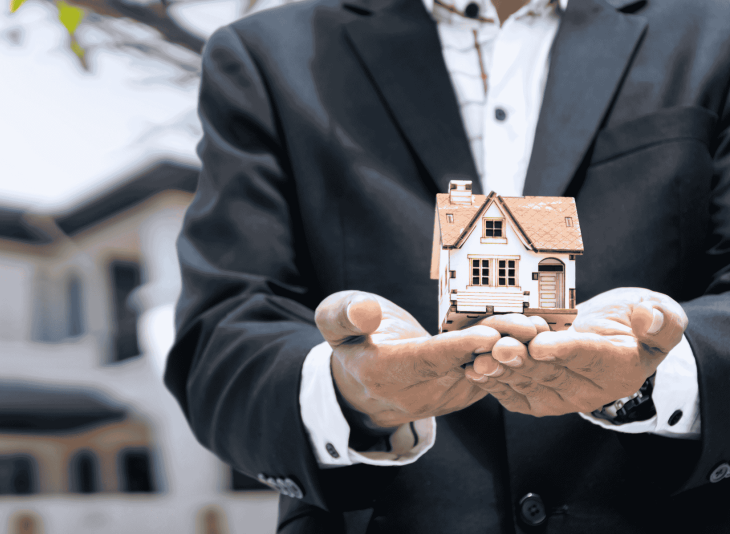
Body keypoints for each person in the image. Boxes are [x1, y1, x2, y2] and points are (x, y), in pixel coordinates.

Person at [164, 0, 730, 531]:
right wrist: (349, 394)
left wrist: (665, 373)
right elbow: (223, 334)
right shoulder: (266, 56)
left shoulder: (715, 30)